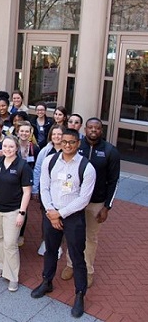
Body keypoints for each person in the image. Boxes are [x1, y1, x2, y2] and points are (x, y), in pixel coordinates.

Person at [31, 129, 96, 319]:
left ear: (78, 143)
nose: (67, 145)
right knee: (50, 250)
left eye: (72, 142)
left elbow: (84, 199)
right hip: (51, 212)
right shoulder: (50, 161)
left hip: (73, 216)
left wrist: (60, 214)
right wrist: (51, 212)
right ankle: (47, 281)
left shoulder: (87, 167)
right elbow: (44, 186)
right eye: (65, 141)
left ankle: (80, 294)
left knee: (77, 256)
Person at [61, 118, 120, 289]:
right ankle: (71, 265)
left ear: (102, 130)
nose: (93, 130)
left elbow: (114, 181)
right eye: (90, 127)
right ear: (84, 129)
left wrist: (107, 206)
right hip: (74, 200)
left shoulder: (110, 151)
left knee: (90, 237)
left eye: (97, 128)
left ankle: (87, 270)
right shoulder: (77, 146)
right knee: (72, 235)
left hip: (95, 203)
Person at [0, 136, 33, 292]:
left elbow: (27, 192)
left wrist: (22, 213)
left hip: (13, 210)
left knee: (10, 243)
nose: (7, 149)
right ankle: (1, 265)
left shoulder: (22, 166)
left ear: (16, 148)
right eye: (5, 146)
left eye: (11, 147)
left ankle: (13, 276)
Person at [32, 124, 66, 257]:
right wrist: (35, 188)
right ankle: (46, 242)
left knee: (61, 218)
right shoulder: (45, 151)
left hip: (63, 192)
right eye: (54, 134)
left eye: (59, 134)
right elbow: (37, 169)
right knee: (46, 217)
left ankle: (58, 246)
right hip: (46, 191)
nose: (56, 137)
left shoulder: (67, 151)